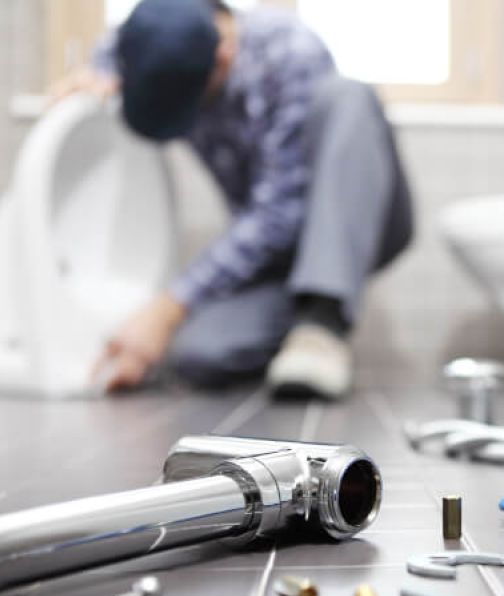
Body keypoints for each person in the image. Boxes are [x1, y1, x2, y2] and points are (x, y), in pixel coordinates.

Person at [54, 0, 412, 399]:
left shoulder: (289, 50)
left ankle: (322, 323)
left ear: (222, 54)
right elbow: (115, 47)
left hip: (356, 217)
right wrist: (95, 73)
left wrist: (168, 307)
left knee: (347, 96)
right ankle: (298, 329)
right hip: (276, 258)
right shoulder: (149, 41)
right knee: (199, 354)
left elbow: (280, 212)